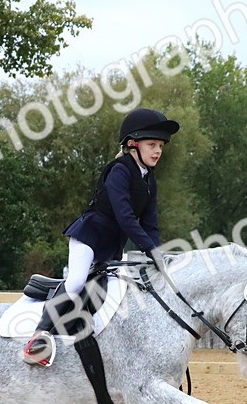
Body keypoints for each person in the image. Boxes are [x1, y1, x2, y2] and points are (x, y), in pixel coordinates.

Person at [21, 107, 179, 366]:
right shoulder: (119, 170)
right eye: (152, 144)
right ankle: (39, 336)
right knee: (75, 283)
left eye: (160, 145)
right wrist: (150, 250)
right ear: (132, 145)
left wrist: (158, 254)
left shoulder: (150, 179)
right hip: (89, 237)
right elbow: (125, 218)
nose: (158, 150)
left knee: (109, 292)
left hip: (111, 245)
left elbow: (151, 224)